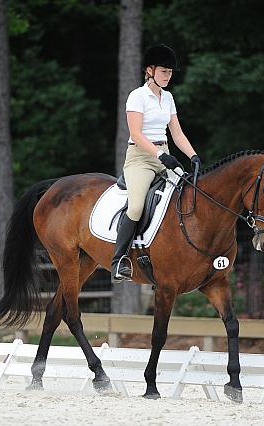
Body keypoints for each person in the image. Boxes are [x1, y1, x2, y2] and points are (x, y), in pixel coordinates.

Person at [111, 44, 201, 284]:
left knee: (188, 193)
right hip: (140, 158)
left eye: (170, 72)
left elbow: (177, 133)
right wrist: (160, 155)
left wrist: (193, 156)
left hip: (165, 155)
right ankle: (119, 260)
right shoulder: (137, 96)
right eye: (164, 72)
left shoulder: (168, 97)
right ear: (150, 70)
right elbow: (136, 134)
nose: (168, 76)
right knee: (137, 205)